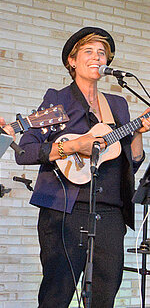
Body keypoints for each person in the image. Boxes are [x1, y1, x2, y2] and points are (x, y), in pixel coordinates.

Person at [15, 27, 150, 307]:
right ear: (72, 61)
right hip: (65, 210)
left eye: (102, 52)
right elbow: (25, 151)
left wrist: (137, 133)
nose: (97, 56)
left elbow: (132, 162)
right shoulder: (59, 100)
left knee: (104, 297)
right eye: (88, 50)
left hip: (110, 211)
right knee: (57, 295)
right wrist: (75, 146)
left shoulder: (117, 105)